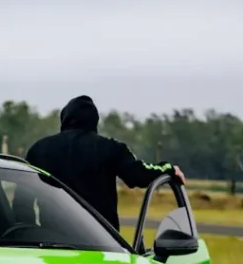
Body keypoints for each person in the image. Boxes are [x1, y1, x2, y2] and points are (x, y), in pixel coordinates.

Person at [17, 95, 185, 230]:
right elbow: (138, 175)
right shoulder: (111, 148)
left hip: (50, 245)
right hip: (101, 245)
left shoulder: (38, 150)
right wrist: (168, 169)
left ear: (64, 119)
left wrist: (30, 235)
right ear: (94, 121)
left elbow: (22, 201)